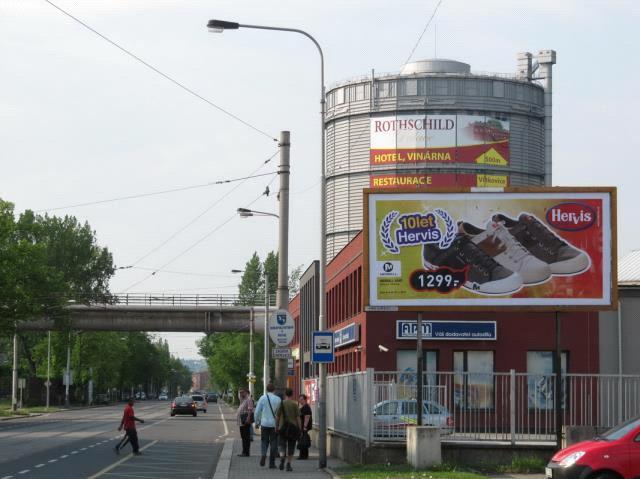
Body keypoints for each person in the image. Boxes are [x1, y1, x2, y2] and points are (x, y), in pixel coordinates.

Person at [254, 383, 282, 468]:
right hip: (274, 424)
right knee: (274, 443)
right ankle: (272, 463)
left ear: (266, 389)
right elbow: (280, 413)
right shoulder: (278, 399)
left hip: (264, 423)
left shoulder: (262, 398)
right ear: (274, 390)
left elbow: (257, 411)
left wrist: (256, 422)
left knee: (264, 441)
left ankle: (263, 454)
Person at [276, 388, 301, 472]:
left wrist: (276, 426)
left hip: (282, 428)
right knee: (291, 446)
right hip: (293, 429)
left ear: (285, 395)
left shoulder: (281, 403)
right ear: (292, 394)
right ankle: (288, 464)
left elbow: (277, 417)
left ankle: (282, 458)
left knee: (282, 445)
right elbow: (298, 418)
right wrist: (300, 428)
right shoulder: (295, 404)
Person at [236, 388, 254, 457]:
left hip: (245, 421)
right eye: (240, 393)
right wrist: (239, 392)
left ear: (246, 392)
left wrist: (248, 418)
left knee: (246, 437)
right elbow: (239, 396)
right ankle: (244, 451)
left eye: (242, 392)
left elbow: (250, 409)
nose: (240, 394)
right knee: (243, 437)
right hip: (241, 421)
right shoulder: (243, 400)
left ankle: (246, 452)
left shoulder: (248, 399)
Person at [297, 394, 312, 459]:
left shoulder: (306, 407)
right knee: (303, 440)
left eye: (301, 399)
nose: (300, 401)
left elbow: (307, 417)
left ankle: (303, 455)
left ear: (305, 400)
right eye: (299, 400)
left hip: (304, 427)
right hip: (302, 427)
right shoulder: (304, 407)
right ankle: (303, 455)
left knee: (303, 440)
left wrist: (305, 426)